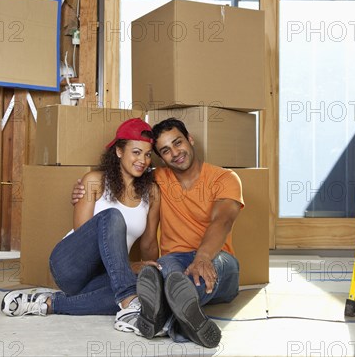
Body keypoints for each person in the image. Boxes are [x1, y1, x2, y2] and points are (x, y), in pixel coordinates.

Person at [72, 118, 244, 348]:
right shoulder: (156, 180)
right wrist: (82, 191)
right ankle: (180, 321)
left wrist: (202, 257)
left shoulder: (225, 178)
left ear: (190, 140)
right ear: (161, 158)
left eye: (178, 143)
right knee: (169, 271)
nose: (175, 153)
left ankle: (163, 314)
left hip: (216, 258)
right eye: (165, 150)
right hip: (173, 264)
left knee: (202, 270)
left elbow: (221, 221)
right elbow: (124, 172)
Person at [1, 118, 161, 336]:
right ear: (119, 152)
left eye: (147, 154)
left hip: (107, 278)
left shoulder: (150, 192)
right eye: (136, 152)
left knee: (149, 285)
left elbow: (149, 243)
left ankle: (47, 303)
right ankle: (128, 302)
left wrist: (151, 271)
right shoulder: (95, 181)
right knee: (112, 217)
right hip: (70, 265)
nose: (142, 160)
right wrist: (126, 266)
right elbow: (83, 233)